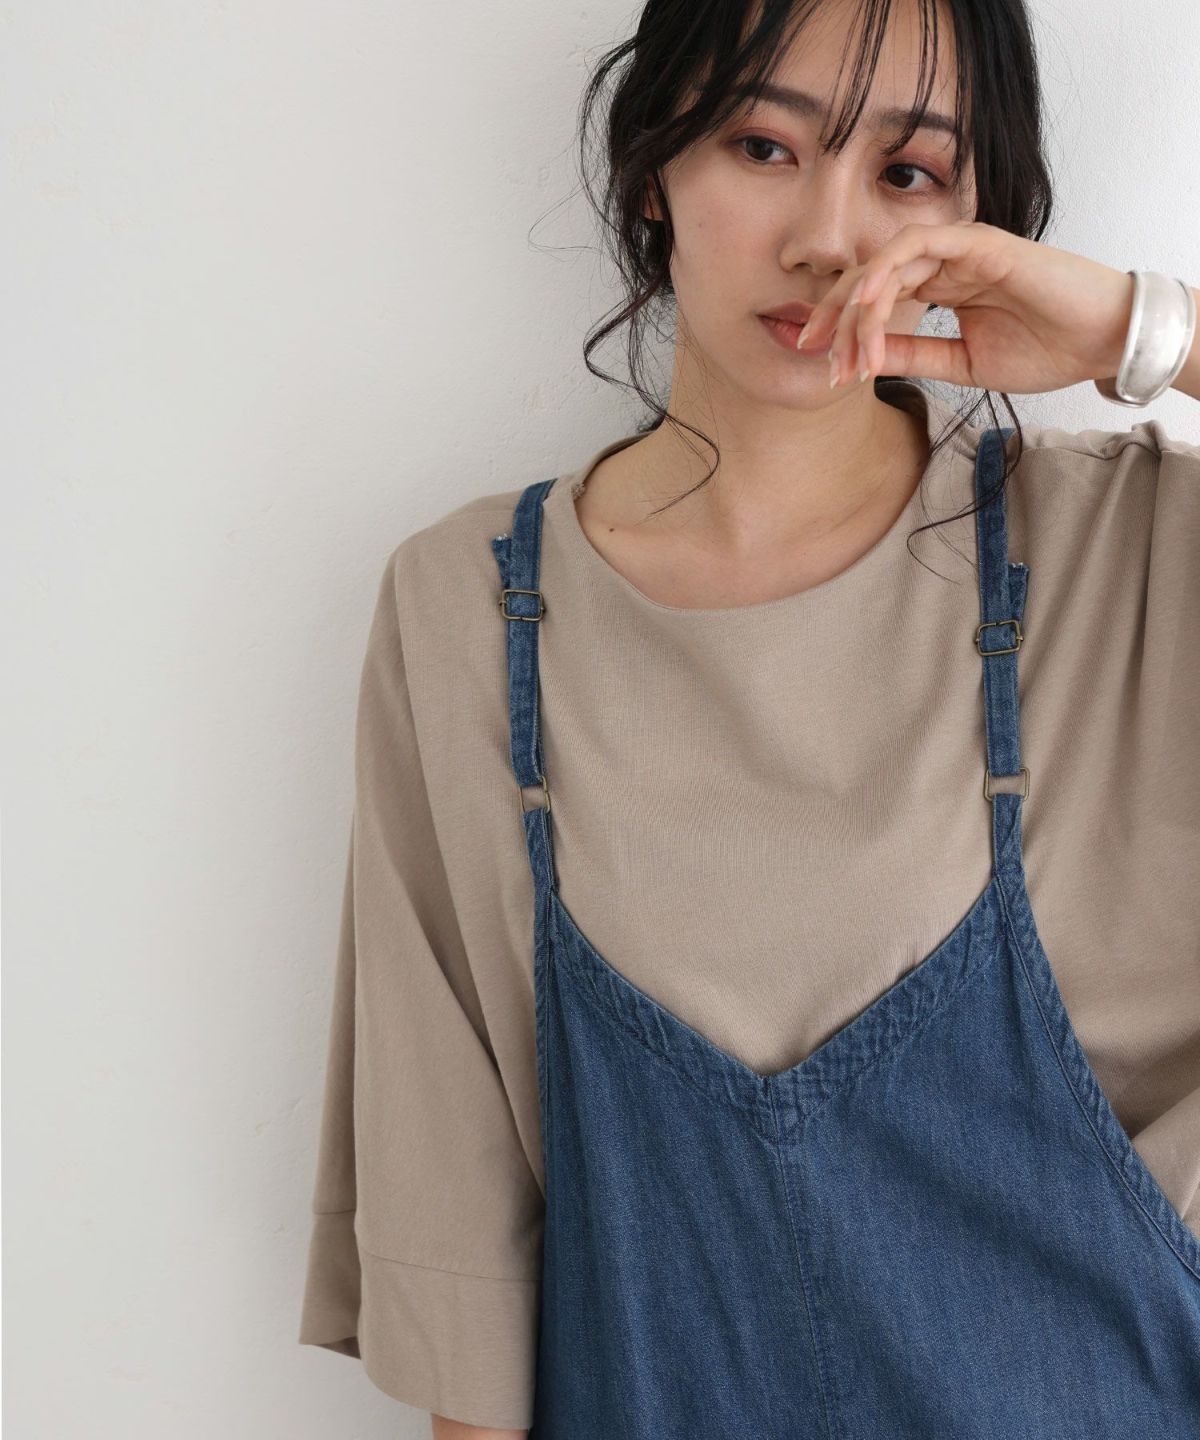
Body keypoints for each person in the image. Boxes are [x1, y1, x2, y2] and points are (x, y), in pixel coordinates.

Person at [298, 0, 1200, 1434]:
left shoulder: (1131, 559)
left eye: (909, 173)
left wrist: (1139, 329)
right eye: (763, 146)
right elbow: (458, 1255)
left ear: (983, 221)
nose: (829, 239)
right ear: (656, 164)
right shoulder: (468, 609)